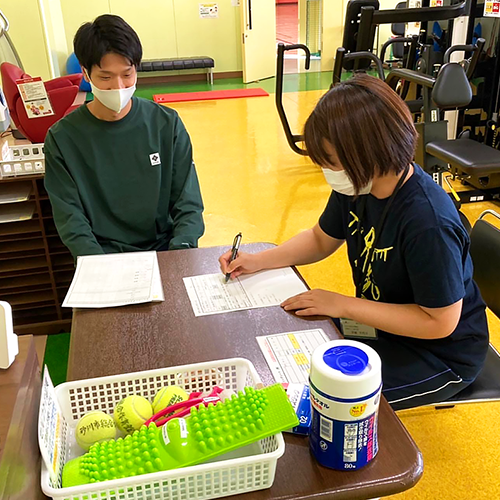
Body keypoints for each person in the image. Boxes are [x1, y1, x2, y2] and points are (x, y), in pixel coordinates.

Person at [219, 74, 489, 410]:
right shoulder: (360, 184)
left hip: (439, 353)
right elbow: (321, 238)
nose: (328, 173)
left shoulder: (427, 221)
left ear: (368, 154)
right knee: (291, 347)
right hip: (383, 326)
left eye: (331, 163)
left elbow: (439, 322)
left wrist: (343, 304)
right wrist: (258, 260)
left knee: (320, 401)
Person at [45, 15, 204, 258]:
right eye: (106, 77)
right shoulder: (62, 138)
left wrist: (179, 255)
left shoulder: (166, 125)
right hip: (103, 256)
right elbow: (70, 219)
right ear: (86, 75)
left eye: (127, 74)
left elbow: (188, 203)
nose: (118, 87)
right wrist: (100, 268)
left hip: (165, 250)